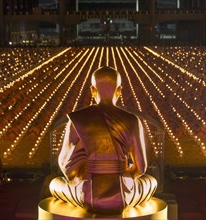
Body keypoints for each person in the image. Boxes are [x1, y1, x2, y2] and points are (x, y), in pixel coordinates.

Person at [49, 66, 157, 214]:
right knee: (151, 182)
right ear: (119, 90)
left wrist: (83, 173)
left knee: (55, 184)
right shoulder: (133, 120)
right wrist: (124, 177)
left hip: (87, 197)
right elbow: (141, 168)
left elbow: (67, 167)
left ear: (93, 90)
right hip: (123, 197)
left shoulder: (76, 119)